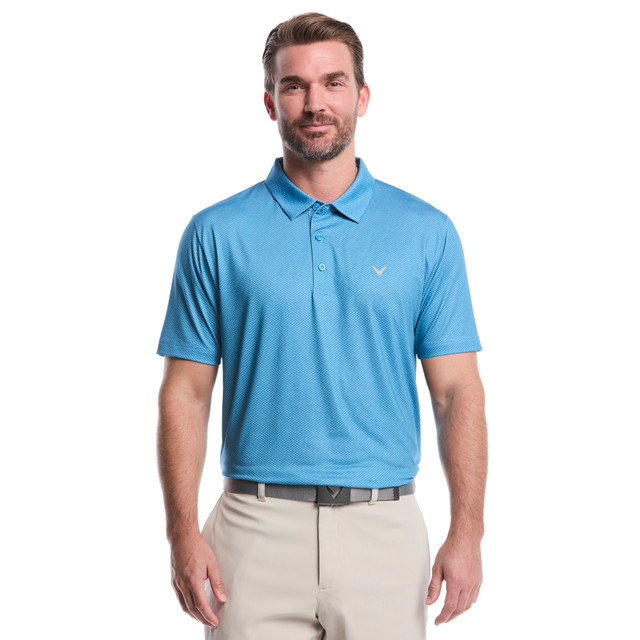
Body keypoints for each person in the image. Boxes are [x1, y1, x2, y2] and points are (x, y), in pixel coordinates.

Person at [156, 11, 487, 640]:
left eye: (334, 83)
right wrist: (181, 533)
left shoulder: (427, 232)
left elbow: (456, 392)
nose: (315, 103)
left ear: (362, 96)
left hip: (385, 531)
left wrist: (467, 531)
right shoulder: (215, 233)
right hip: (252, 531)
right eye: (295, 86)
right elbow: (186, 392)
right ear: (269, 102)